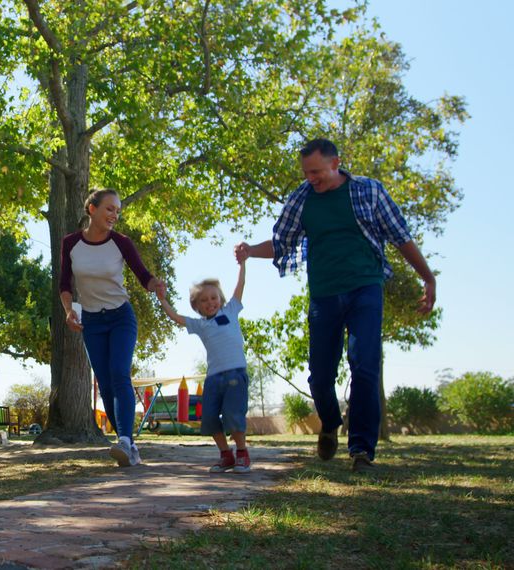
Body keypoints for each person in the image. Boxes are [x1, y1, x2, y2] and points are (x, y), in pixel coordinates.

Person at [235, 138, 436, 472]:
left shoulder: (369, 192)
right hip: (325, 295)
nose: (311, 178)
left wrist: (427, 278)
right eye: (306, 173)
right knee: (320, 376)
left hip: (365, 288)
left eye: (316, 172)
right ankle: (329, 423)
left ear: (335, 163)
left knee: (365, 364)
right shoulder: (302, 198)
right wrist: (250, 251)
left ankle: (361, 451)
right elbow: (283, 243)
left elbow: (401, 237)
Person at [60, 189, 160, 467]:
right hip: (91, 322)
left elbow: (143, 276)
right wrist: (69, 311)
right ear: (91, 209)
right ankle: (128, 445)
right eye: (109, 209)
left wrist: (155, 285)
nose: (115, 215)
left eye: (117, 211)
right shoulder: (70, 244)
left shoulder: (121, 243)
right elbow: (64, 285)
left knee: (119, 373)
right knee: (105, 385)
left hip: (120, 318)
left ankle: (125, 441)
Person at [155, 259, 252, 473]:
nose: (210, 302)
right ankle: (226, 455)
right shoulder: (200, 324)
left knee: (233, 415)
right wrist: (162, 299)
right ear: (197, 306)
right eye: (204, 300)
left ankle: (242, 453)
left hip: (236, 374)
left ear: (221, 299)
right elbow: (176, 317)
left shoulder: (231, 311)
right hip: (213, 378)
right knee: (208, 418)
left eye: (214, 298)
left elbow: (240, 285)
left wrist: (242, 264)